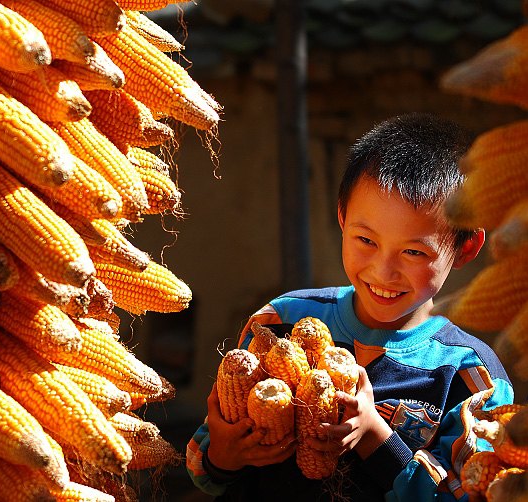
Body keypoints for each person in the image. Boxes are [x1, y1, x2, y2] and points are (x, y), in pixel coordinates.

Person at [185, 113, 514, 501]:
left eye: (413, 251)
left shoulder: (470, 374)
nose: (383, 271)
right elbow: (205, 464)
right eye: (366, 240)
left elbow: (469, 494)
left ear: (466, 248)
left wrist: (375, 435)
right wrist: (221, 456)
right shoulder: (280, 322)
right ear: (342, 215)